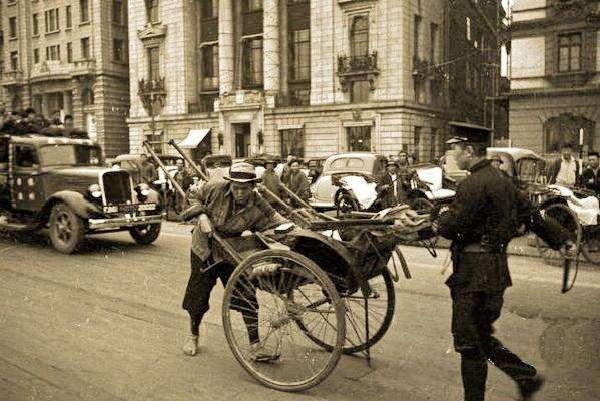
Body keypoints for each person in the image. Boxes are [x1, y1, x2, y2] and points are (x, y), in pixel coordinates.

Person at [435, 139, 574, 401]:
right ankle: (525, 377)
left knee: (468, 343)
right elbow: (532, 216)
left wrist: (438, 219)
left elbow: (453, 226)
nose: (453, 154)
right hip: (496, 274)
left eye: (455, 149)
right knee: (479, 335)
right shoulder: (503, 181)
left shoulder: (471, 184)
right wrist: (562, 239)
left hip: (472, 275)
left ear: (469, 151)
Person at [179, 162, 288, 358]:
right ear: (230, 184)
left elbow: (274, 219)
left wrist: (292, 228)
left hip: (231, 249)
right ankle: (193, 335)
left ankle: (255, 346)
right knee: (199, 295)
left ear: (252, 187)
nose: (239, 193)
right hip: (204, 248)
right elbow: (192, 194)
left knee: (246, 293)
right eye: (236, 188)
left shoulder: (257, 201)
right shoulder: (215, 188)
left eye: (244, 189)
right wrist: (201, 215)